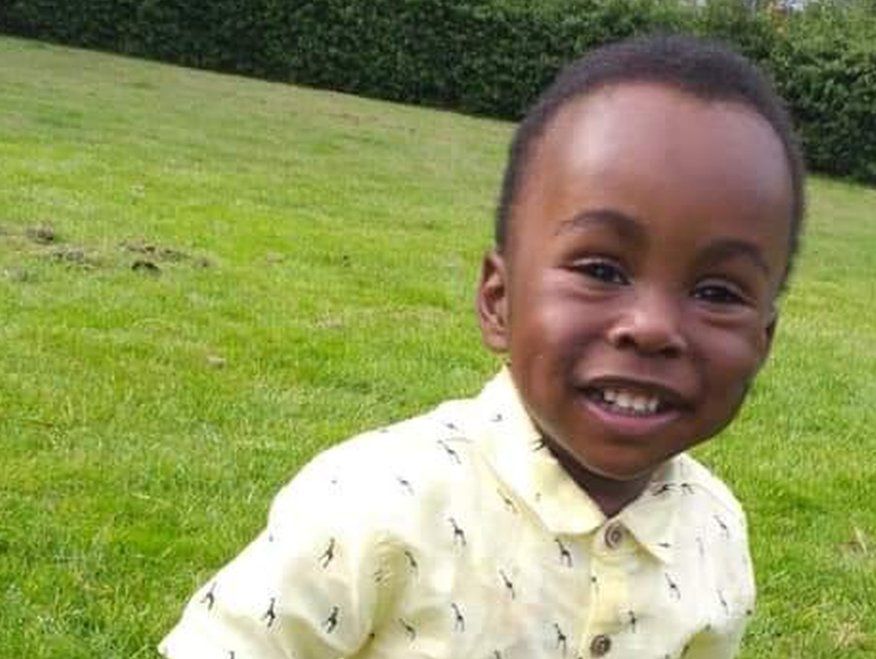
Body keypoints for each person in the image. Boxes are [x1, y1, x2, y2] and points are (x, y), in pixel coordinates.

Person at [160, 34, 804, 659]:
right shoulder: (378, 502)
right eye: (602, 270)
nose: (653, 327)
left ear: (763, 342)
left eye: (718, 292)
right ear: (499, 300)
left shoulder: (716, 533)